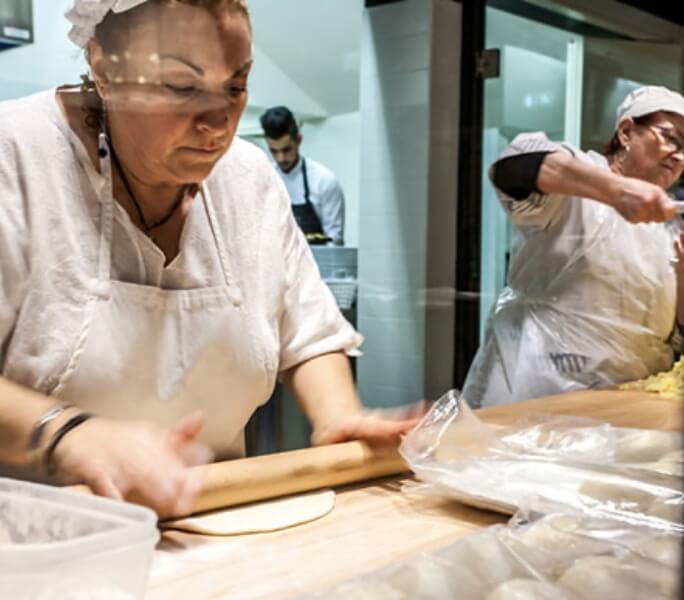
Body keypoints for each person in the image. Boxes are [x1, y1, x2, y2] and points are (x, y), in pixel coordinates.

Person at [0, 0, 417, 517]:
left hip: (214, 527)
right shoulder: (16, 155)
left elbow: (309, 334)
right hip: (37, 545)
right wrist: (66, 435)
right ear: (104, 68)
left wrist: (337, 414)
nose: (218, 120)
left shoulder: (248, 178)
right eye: (181, 86)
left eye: (236, 87)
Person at [463, 85, 684, 408]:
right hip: (539, 390)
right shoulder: (577, 182)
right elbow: (513, 168)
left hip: (630, 402)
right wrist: (615, 190)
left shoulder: (670, 224)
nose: (679, 156)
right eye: (671, 138)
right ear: (626, 132)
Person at [260, 106, 345, 246]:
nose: (280, 158)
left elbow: (334, 240)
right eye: (274, 151)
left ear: (298, 140)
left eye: (286, 150)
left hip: (317, 264)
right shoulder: (264, 179)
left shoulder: (324, 181)